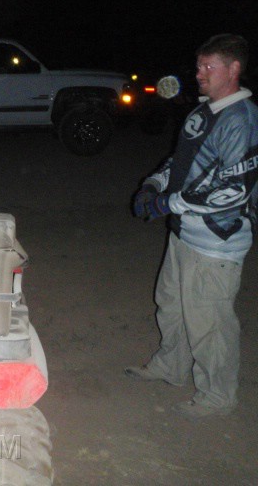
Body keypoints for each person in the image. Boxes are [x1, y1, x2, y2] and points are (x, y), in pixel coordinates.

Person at [127, 34, 258, 420]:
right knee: (171, 305)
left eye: (208, 67)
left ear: (234, 69)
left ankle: (218, 396)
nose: (198, 73)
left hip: (218, 240)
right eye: (199, 66)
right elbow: (181, 162)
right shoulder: (203, 112)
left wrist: (168, 203)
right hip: (185, 232)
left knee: (210, 322)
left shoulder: (243, 120)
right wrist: (154, 183)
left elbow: (234, 190)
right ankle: (171, 366)